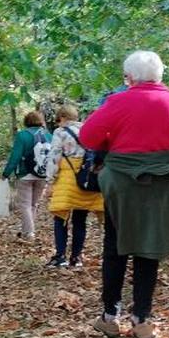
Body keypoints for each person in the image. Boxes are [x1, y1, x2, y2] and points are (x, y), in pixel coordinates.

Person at [79, 51, 169, 338]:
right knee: (150, 248)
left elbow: (88, 137)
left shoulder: (117, 101)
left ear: (129, 77)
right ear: (161, 75)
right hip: (162, 187)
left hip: (122, 187)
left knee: (116, 246)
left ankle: (110, 317)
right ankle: (142, 319)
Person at [43, 105, 104, 268]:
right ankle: (76, 257)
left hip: (67, 177)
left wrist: (49, 181)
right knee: (80, 219)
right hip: (86, 178)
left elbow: (54, 156)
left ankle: (60, 256)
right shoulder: (88, 130)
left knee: (61, 218)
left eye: (58, 119)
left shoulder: (60, 132)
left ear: (62, 117)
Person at [1, 111, 50, 240]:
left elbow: (15, 156)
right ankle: (27, 231)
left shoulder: (22, 135)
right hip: (43, 174)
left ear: (26, 122)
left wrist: (6, 174)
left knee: (25, 204)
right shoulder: (49, 136)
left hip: (25, 174)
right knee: (33, 204)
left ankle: (29, 233)